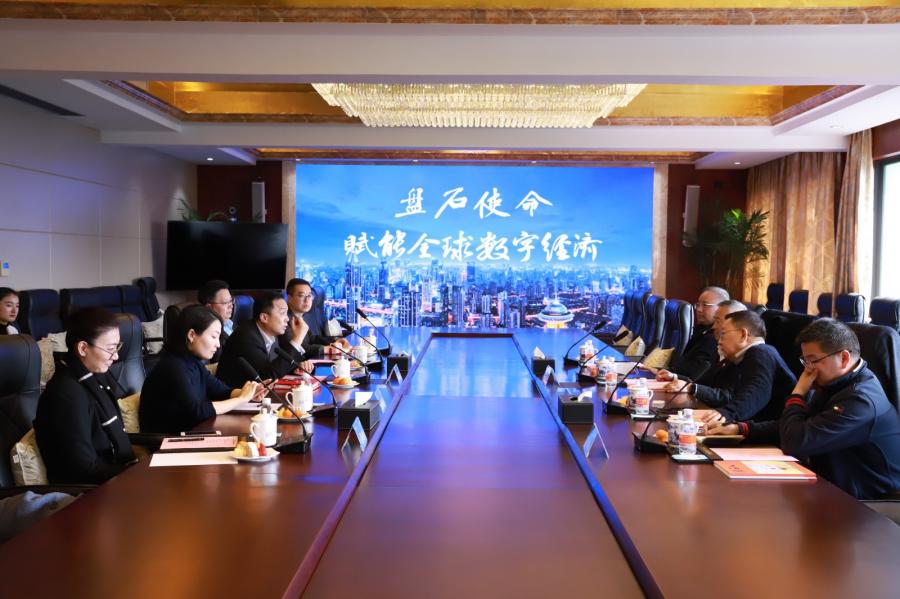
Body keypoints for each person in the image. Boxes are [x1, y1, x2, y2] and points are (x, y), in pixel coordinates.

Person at [708, 319, 900, 500]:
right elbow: (800, 426)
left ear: (843, 358)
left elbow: (795, 441)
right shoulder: (835, 384)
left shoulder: (861, 400)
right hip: (832, 489)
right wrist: (742, 429)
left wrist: (798, 393)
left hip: (868, 504)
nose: (808, 370)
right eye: (805, 361)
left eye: (813, 360)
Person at [33, 308, 136, 484]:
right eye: (111, 349)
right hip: (88, 491)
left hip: (112, 474)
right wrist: (136, 474)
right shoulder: (65, 394)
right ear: (83, 348)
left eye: (117, 347)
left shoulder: (93, 377)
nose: (116, 356)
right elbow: (83, 469)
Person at [139, 306, 264, 434]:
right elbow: (196, 412)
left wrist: (249, 393)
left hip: (191, 433)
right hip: (166, 441)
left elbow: (222, 391)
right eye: (214, 337)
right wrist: (240, 399)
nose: (218, 345)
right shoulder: (172, 366)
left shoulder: (193, 362)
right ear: (192, 335)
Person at [670, 310, 796, 425]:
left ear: (743, 335)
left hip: (770, 433)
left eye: (723, 334)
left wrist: (727, 413)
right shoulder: (740, 358)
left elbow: (756, 392)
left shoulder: (761, 352)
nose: (719, 341)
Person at [216, 291, 310, 388]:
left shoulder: (272, 332)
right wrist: (298, 338)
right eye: (282, 313)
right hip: (233, 395)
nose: (287, 319)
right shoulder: (247, 337)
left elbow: (277, 365)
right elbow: (267, 378)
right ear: (264, 317)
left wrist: (296, 368)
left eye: (286, 313)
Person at [657, 299, 746, 385]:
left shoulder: (740, 359)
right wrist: (674, 376)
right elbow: (699, 381)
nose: (713, 327)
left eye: (718, 321)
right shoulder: (718, 348)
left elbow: (723, 393)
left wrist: (692, 388)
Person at [665, 286, 729, 381]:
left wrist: (671, 374)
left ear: (720, 308)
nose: (699, 309)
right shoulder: (701, 329)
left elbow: (693, 373)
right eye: (698, 304)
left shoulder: (714, 337)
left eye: (705, 305)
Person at [284, 278, 349, 359]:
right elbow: (297, 348)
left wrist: (335, 340)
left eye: (309, 295)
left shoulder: (300, 316)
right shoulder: (285, 320)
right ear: (289, 298)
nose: (307, 300)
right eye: (301, 295)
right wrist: (325, 349)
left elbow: (312, 338)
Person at [198, 279, 234, 363]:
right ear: (209, 308)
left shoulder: (229, 324)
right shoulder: (208, 336)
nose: (231, 306)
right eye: (225, 303)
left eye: (231, 300)